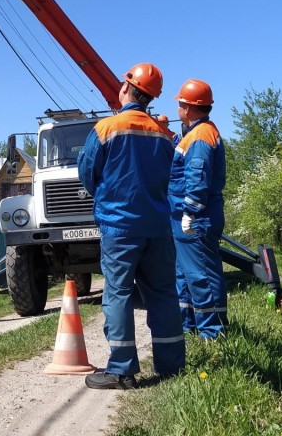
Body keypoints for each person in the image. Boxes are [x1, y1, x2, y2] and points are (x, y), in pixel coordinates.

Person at [77, 63, 185, 389]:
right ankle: (172, 367)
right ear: (152, 97)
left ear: (126, 88)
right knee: (164, 294)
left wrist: (107, 197)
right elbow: (175, 178)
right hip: (158, 228)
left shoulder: (107, 128)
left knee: (119, 294)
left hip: (119, 229)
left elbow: (87, 174)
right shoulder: (164, 134)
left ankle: (122, 370)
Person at [169, 78, 228, 338]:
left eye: (180, 104)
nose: (178, 109)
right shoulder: (195, 134)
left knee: (201, 274)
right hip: (188, 216)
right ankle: (189, 326)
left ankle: (213, 333)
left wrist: (191, 211)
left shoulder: (201, 136)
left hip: (197, 217)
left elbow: (197, 175)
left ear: (188, 107)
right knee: (185, 275)